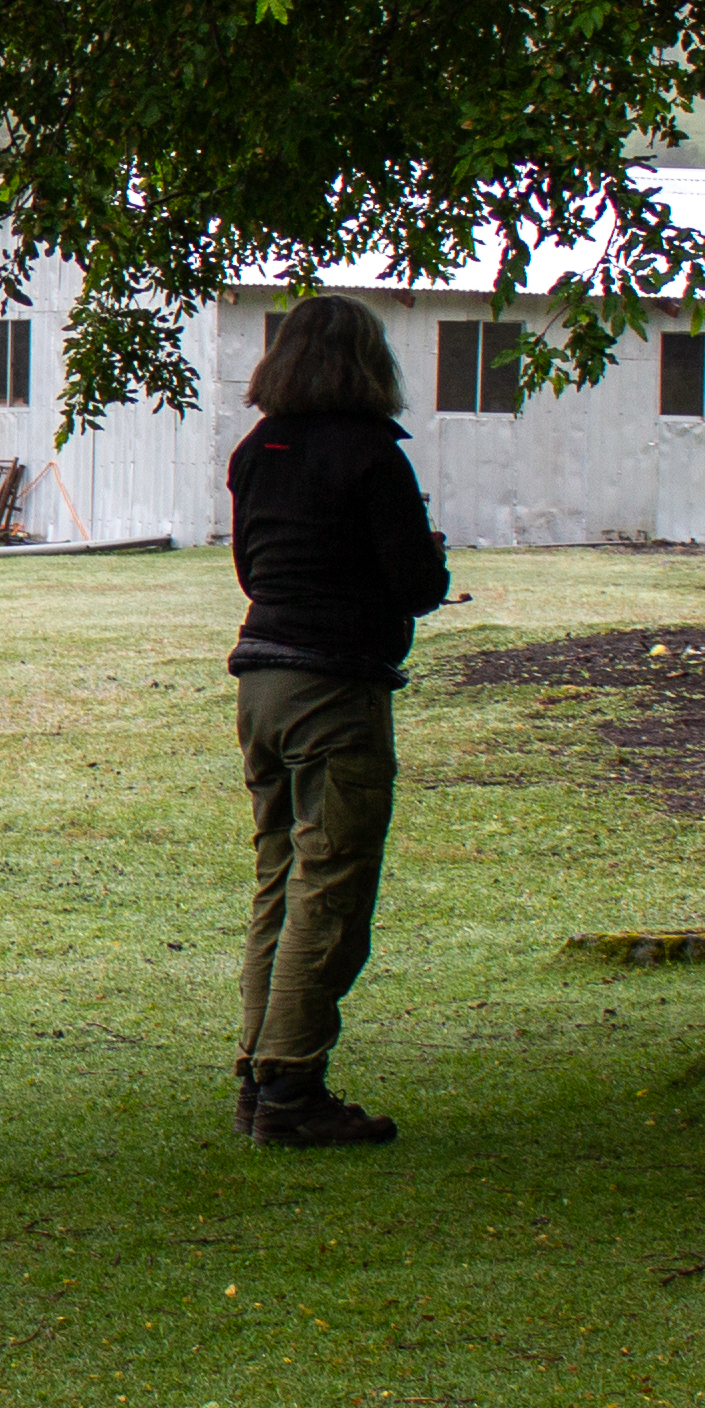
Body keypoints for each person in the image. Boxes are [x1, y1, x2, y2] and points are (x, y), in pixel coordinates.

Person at [224, 295, 451, 1145]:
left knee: (280, 874)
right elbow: (414, 586)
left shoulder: (257, 452)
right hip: (334, 685)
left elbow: (253, 570)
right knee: (333, 878)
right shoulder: (371, 454)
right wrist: (430, 558)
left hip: (261, 677)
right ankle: (291, 1089)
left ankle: (258, 1071)